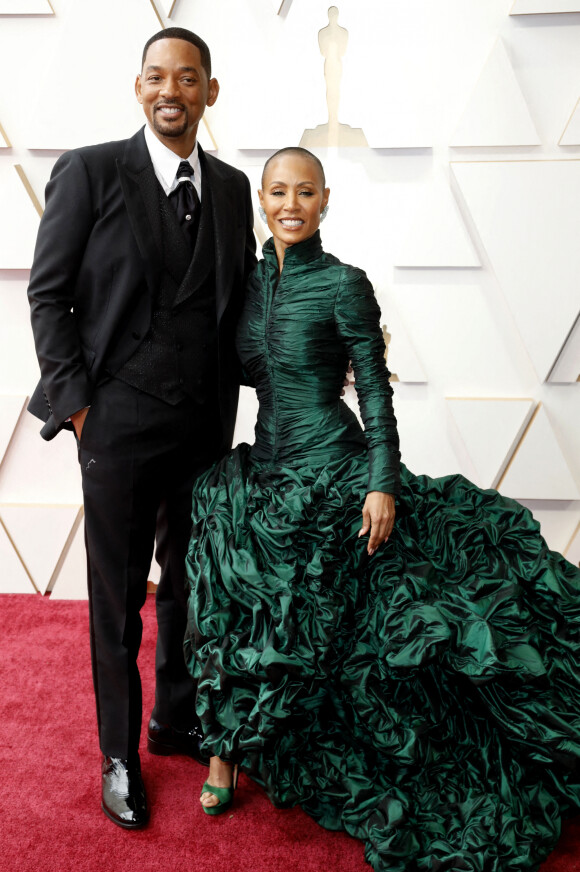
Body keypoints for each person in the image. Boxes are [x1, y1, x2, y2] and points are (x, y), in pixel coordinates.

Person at [184, 146, 580, 870]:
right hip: (265, 470)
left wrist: (382, 483)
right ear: (262, 201)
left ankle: (243, 751)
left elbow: (374, 390)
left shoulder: (344, 284)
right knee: (224, 566)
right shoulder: (241, 285)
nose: (291, 205)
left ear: (326, 199)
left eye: (305, 192)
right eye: (278, 192)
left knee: (368, 620)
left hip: (337, 471)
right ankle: (225, 753)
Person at [27, 27, 256, 829]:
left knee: (193, 584)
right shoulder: (89, 171)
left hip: (202, 423)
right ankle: (119, 753)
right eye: (157, 76)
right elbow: (47, 295)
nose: (172, 90)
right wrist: (81, 407)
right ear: (138, 87)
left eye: (187, 78)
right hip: (116, 424)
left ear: (209, 93)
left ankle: (174, 719)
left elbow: (244, 311)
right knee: (118, 598)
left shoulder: (231, 188)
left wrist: (318, 353)